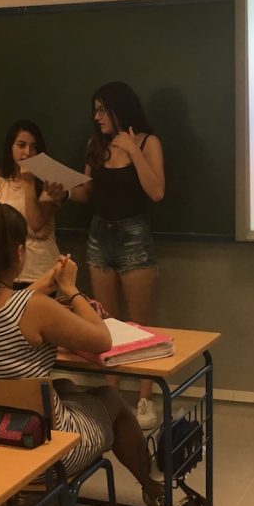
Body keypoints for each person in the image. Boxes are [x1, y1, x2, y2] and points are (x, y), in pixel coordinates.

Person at [0, 198, 165, 506]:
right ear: (19, 253)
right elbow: (101, 339)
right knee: (111, 398)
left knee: (65, 387)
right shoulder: (32, 309)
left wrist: (46, 281)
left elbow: (8, 302)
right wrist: (71, 289)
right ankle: (152, 489)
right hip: (42, 451)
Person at [67, 82, 165, 429]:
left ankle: (144, 397)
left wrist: (133, 151)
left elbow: (156, 191)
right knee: (106, 323)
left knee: (141, 324)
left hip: (134, 237)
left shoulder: (148, 142)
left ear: (117, 109)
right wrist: (64, 190)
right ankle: (111, 396)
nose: (96, 117)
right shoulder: (95, 145)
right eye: (94, 111)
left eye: (101, 110)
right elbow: (86, 194)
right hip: (99, 236)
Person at [0, 120, 67, 287]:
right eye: (21, 145)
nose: (28, 152)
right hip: (8, 273)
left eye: (34, 147)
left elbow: (36, 224)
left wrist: (28, 182)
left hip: (42, 272)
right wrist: (28, 232)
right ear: (11, 148)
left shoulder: (49, 185)